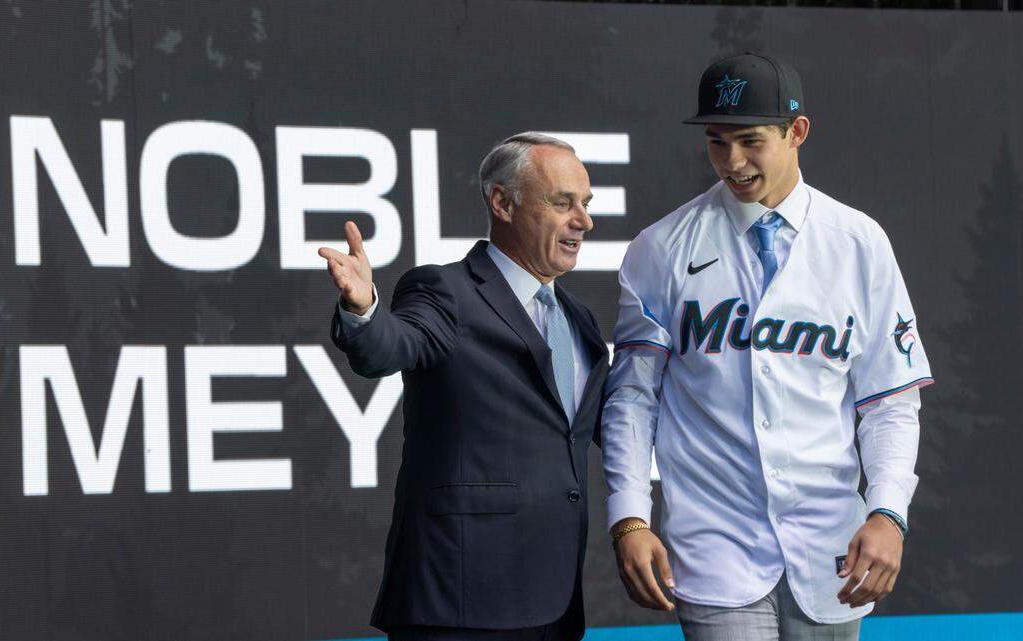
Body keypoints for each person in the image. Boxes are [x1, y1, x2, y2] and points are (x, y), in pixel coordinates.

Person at [602, 52, 934, 640]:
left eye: (750, 140)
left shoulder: (859, 243)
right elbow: (632, 399)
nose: (732, 161)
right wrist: (629, 518)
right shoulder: (660, 248)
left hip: (832, 544)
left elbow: (888, 402)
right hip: (715, 543)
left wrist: (887, 512)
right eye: (716, 140)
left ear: (796, 132)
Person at [320, 132, 609, 641]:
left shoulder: (579, 319)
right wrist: (364, 310)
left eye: (585, 204)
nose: (583, 221)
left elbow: (606, 428)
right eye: (563, 203)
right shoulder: (445, 290)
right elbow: (390, 346)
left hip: (555, 601)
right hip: (458, 599)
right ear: (502, 202)